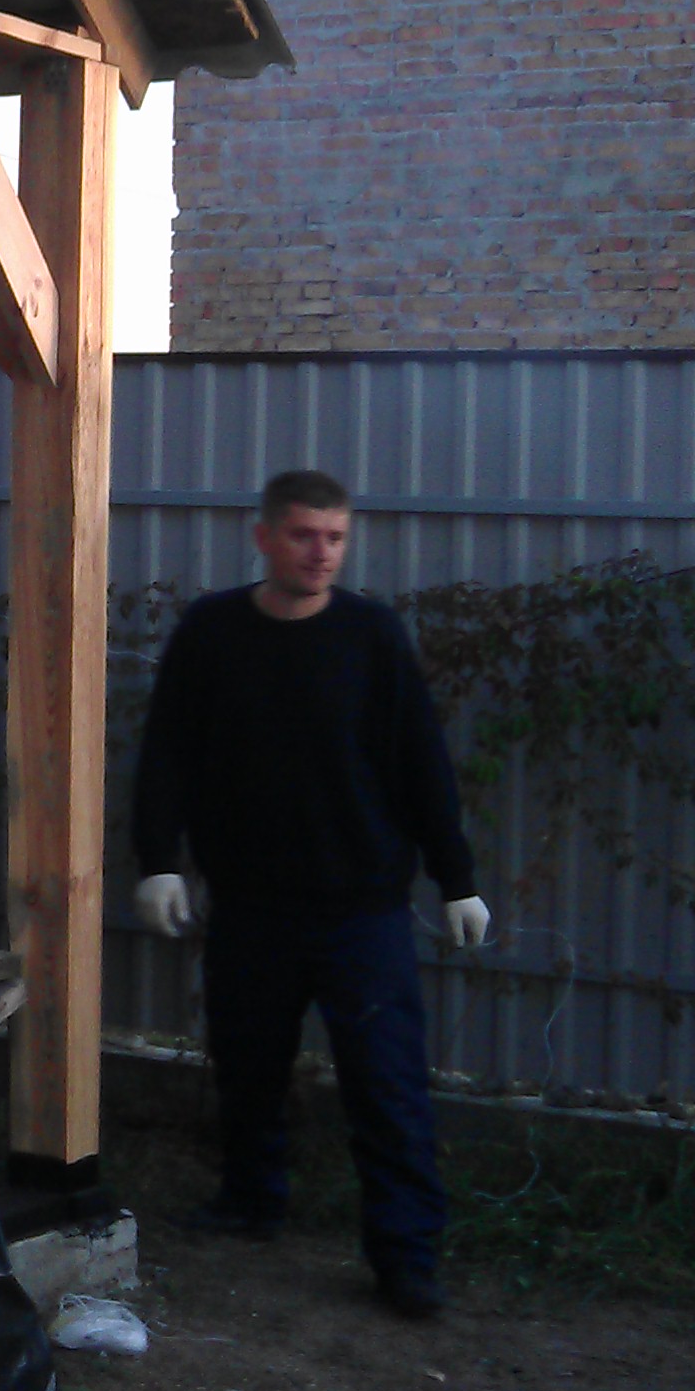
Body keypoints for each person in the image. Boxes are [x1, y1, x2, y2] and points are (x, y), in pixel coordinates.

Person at [129, 469, 489, 1321]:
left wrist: (458, 881)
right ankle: (251, 1200)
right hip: (252, 905)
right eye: (303, 535)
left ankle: (406, 1257)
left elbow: (422, 764)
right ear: (264, 538)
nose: (321, 553)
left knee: (387, 1086)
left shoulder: (371, 636)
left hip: (361, 910)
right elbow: (167, 751)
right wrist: (157, 861)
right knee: (248, 1067)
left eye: (335, 537)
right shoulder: (213, 632)